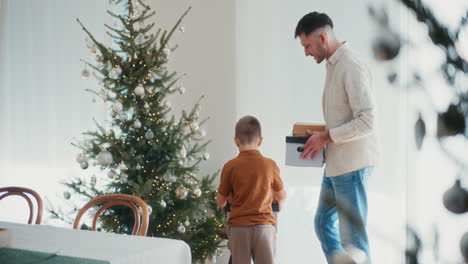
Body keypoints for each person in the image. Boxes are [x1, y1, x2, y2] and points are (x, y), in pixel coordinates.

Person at [294, 12, 379, 263]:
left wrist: (326, 137)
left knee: (354, 240)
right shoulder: (333, 64)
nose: (307, 53)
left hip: (351, 165)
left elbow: (367, 120)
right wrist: (320, 135)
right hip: (336, 163)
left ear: (322, 37)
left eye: (307, 45)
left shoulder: (351, 65)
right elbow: (343, 117)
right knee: (322, 224)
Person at [216, 115, 287, 264]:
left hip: (239, 229)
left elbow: (221, 199)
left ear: (236, 141)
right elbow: (281, 195)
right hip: (264, 228)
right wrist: (279, 205)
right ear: (260, 141)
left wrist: (224, 207)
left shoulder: (230, 166)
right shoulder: (270, 165)